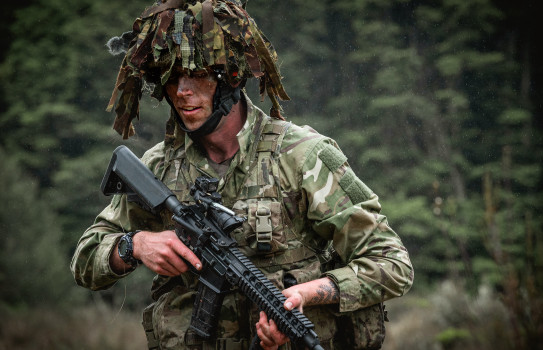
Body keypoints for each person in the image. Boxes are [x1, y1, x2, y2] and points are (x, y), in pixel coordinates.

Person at [70, 1, 414, 349]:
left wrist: (307, 295)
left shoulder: (301, 156)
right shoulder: (158, 167)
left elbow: (392, 263)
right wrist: (135, 246)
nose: (182, 90)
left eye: (198, 75)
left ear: (230, 76)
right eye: (172, 77)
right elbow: (85, 260)